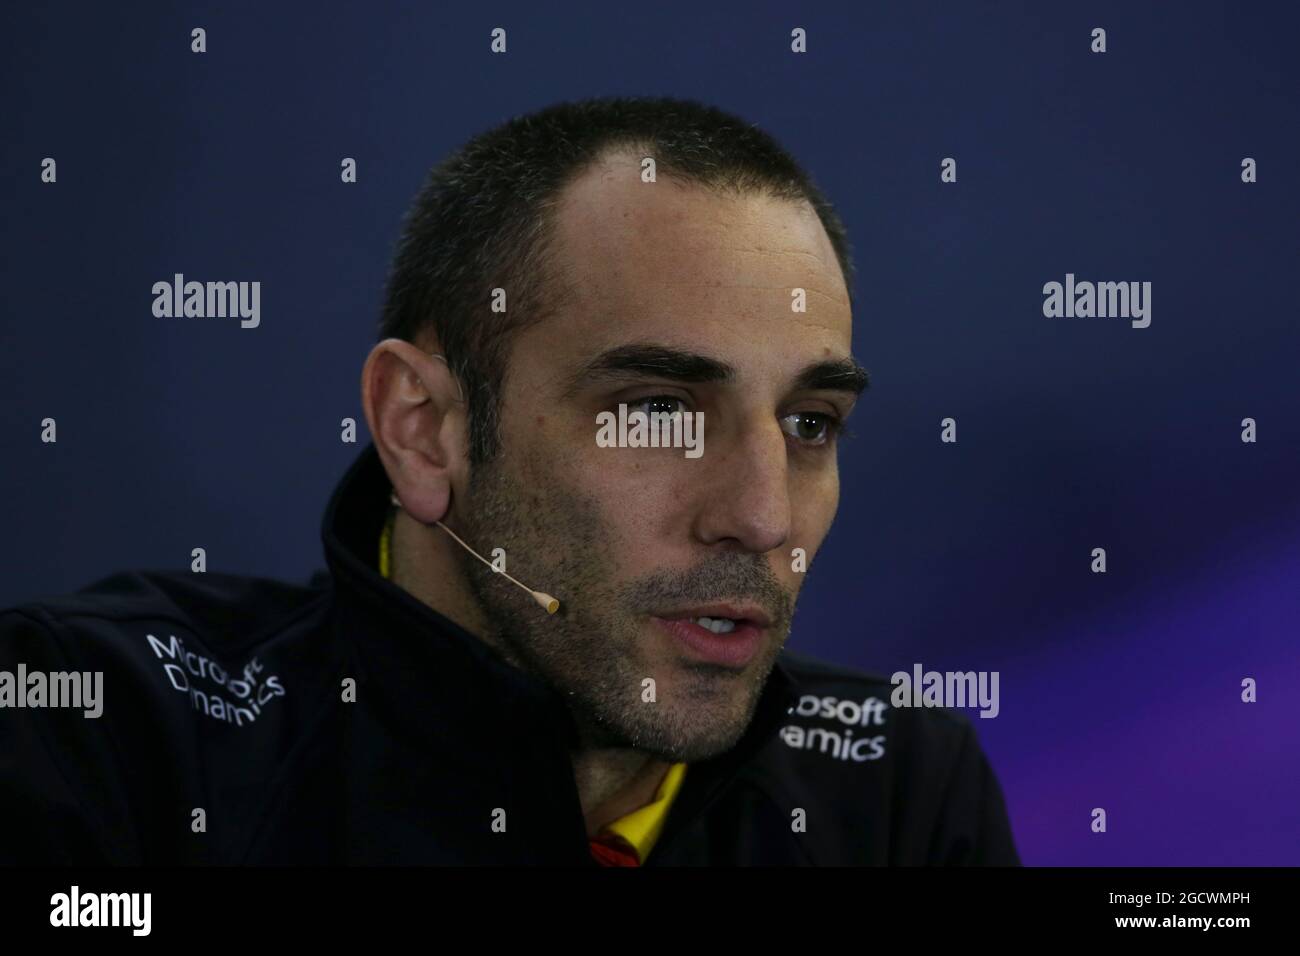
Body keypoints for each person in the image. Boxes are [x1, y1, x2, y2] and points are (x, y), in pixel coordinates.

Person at [0, 96, 1018, 865]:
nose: (761, 516)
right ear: (426, 429)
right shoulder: (100, 734)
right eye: (656, 410)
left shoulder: (896, 794)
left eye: (809, 422)